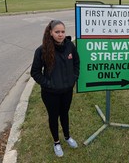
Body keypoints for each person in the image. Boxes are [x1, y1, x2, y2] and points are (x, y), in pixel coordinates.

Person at [31, 20, 80, 157]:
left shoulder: (70, 46)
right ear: (51, 33)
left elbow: (76, 62)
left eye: (63, 32)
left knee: (64, 114)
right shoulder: (42, 50)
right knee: (54, 116)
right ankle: (56, 142)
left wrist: (73, 78)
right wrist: (49, 84)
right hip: (50, 93)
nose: (60, 34)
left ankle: (67, 136)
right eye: (57, 32)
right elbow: (35, 72)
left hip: (66, 90)